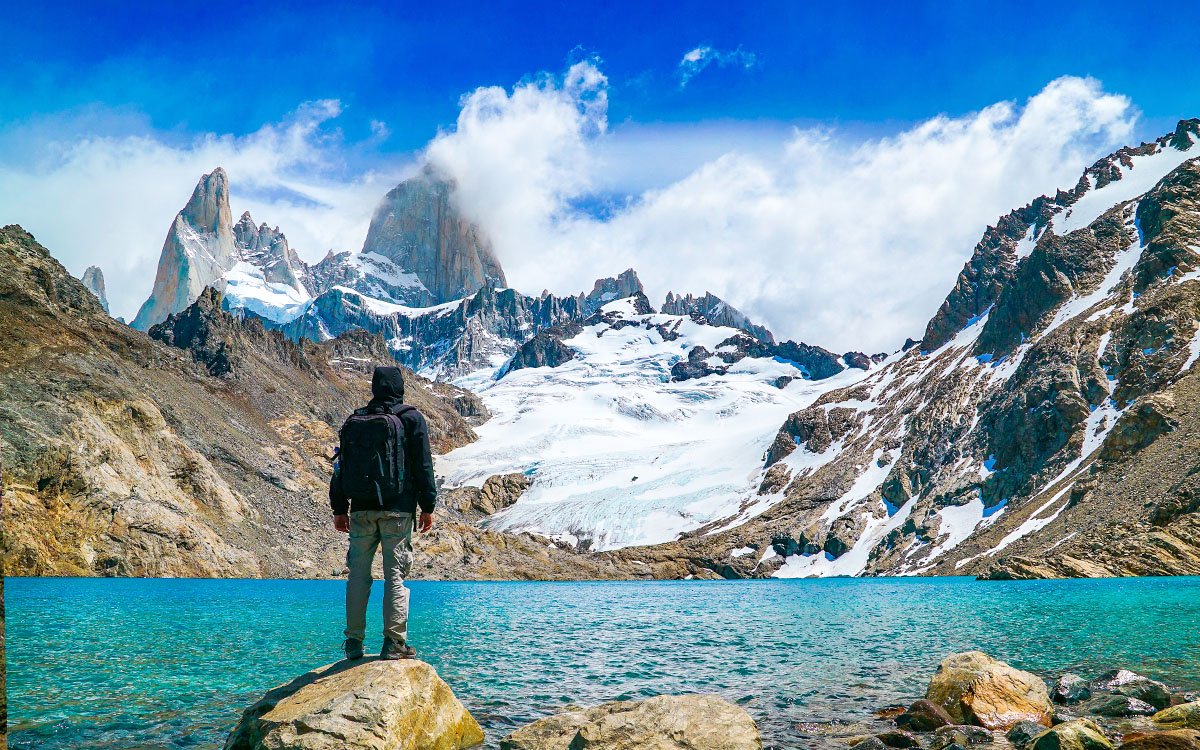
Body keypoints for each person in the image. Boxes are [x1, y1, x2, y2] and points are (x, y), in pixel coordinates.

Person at [330, 366, 436, 660]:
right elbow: (424, 466)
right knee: (395, 577)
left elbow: (341, 468)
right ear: (400, 387)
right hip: (398, 511)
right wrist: (428, 506)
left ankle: (353, 642)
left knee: (358, 576)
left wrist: (340, 509)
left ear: (375, 387)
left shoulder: (357, 420)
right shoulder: (411, 418)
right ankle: (394, 643)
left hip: (361, 510)